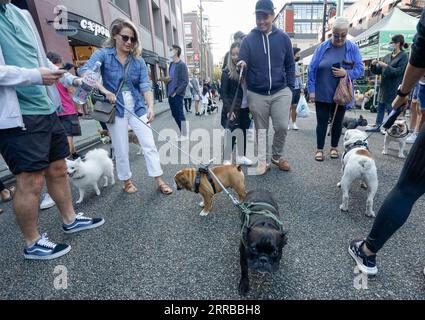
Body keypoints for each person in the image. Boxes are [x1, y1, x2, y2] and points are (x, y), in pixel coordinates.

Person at [0, 1, 104, 260]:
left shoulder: (20, 14)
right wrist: (34, 75)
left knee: (59, 169)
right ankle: (32, 242)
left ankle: (70, 219)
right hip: (17, 115)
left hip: (46, 109)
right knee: (30, 179)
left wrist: (70, 79)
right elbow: (34, 69)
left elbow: (41, 58)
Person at [348, 7, 425, 276]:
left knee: (408, 188)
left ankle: (367, 252)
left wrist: (403, 94)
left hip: (400, 89)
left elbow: (421, 53)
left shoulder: (405, 53)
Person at [79, 18, 173, 196]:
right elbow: (85, 72)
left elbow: (145, 85)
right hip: (116, 107)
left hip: (137, 106)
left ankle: (159, 179)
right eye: (125, 37)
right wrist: (103, 89)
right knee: (121, 147)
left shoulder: (137, 61)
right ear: (115, 35)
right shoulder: (103, 55)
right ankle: (126, 181)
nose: (129, 42)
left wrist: (151, 106)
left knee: (149, 144)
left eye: (133, 39)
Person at [237, 0, 295, 175]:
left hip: (280, 90)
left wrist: (291, 88)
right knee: (261, 130)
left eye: (265, 17)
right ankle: (263, 161)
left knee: (282, 126)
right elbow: (242, 58)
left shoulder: (283, 38)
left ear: (272, 15)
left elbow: (290, 65)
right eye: (258, 17)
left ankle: (276, 157)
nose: (261, 21)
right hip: (256, 92)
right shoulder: (249, 39)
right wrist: (241, 62)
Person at [308, 16, 364, 161]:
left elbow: (360, 69)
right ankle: (319, 149)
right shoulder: (322, 47)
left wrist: (347, 73)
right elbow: (312, 69)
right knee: (322, 122)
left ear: (347, 33)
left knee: (338, 122)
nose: (339, 38)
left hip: (341, 93)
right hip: (322, 91)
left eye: (343, 35)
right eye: (336, 35)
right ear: (331, 32)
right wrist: (312, 90)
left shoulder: (352, 48)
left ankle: (334, 147)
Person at [365, 34, 409, 132]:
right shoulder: (387, 56)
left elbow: (398, 72)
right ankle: (377, 125)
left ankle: (390, 128)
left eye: (392, 42)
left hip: (394, 86)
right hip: (384, 86)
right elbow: (377, 71)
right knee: (380, 106)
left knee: (391, 107)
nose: (390, 44)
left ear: (398, 43)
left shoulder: (403, 56)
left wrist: (386, 66)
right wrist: (372, 65)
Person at [221, 42, 253, 166]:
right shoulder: (226, 71)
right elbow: (223, 93)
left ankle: (241, 156)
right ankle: (226, 158)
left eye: (237, 54)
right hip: (233, 108)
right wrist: (229, 110)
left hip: (246, 106)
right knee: (232, 132)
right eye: (233, 54)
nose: (235, 57)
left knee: (244, 132)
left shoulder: (247, 70)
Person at [47, 52, 82, 160]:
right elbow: (72, 91)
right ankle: (66, 159)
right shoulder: (62, 75)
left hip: (54, 111)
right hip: (67, 110)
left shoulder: (46, 75)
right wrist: (79, 108)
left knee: (61, 136)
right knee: (68, 136)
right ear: (58, 62)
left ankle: (74, 154)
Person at [166, 45, 189, 141]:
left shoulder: (182, 65)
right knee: (174, 114)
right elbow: (172, 78)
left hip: (177, 94)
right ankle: (182, 133)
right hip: (170, 93)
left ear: (176, 51)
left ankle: (184, 134)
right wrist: (166, 80)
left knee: (179, 113)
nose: (170, 51)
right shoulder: (171, 64)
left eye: (171, 50)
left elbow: (185, 81)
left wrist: (177, 92)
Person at [406, 77, 425, 144]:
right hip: (420, 81)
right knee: (414, 104)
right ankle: (411, 131)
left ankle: (417, 133)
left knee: (421, 111)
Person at [289, 47, 302, 130]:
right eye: (298, 53)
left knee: (294, 106)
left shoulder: (297, 64)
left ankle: (294, 123)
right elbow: (285, 74)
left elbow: (299, 77)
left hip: (297, 88)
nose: (299, 55)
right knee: (288, 107)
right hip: (290, 87)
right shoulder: (289, 64)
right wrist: (295, 75)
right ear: (293, 54)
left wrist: (302, 88)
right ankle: (287, 124)